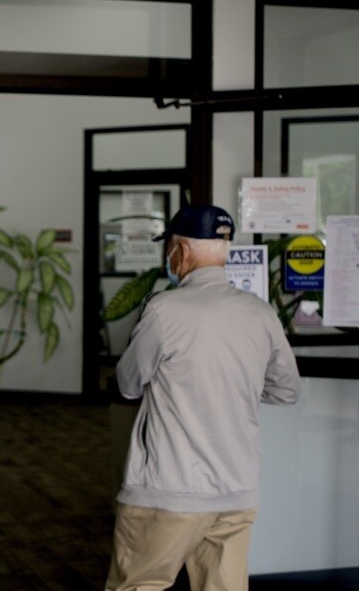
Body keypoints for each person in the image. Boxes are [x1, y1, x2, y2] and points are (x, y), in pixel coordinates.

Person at [105, 205, 301, 591]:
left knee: (140, 584)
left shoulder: (165, 310)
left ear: (182, 252)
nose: (168, 259)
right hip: (236, 491)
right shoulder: (260, 313)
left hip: (168, 490)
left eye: (169, 251)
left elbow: (128, 383)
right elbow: (286, 390)